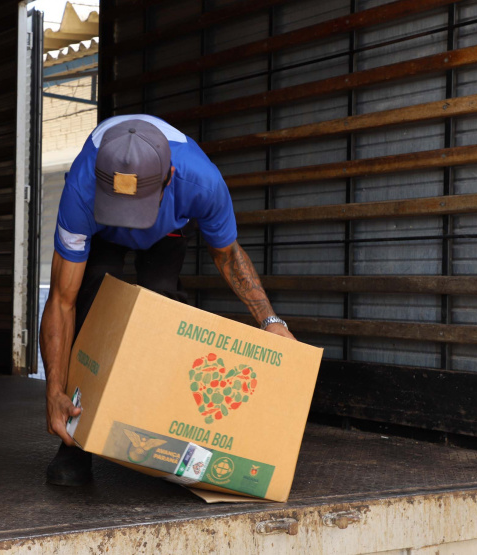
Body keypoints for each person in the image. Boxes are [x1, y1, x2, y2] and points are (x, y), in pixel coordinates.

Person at [41, 114, 296, 486]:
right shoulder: (82, 187)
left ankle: (160, 437)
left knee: (162, 302)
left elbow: (227, 254)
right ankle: (75, 440)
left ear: (169, 177)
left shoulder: (201, 182)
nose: (131, 222)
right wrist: (52, 393)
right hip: (102, 229)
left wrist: (271, 321)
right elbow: (62, 301)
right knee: (91, 299)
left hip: (167, 229)